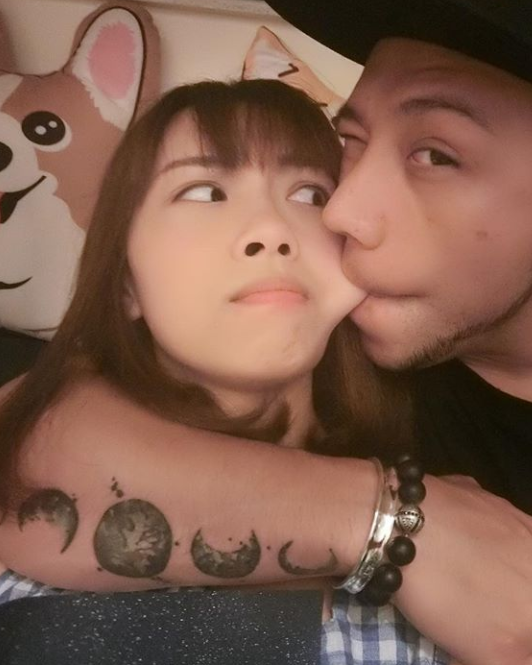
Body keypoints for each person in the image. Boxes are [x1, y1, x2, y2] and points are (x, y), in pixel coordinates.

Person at [3, 0, 532, 665]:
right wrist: (394, 524)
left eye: (436, 154)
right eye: (351, 139)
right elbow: (37, 439)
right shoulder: (327, 328)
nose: (341, 212)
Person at [0, 77, 447, 665]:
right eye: (205, 192)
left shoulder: (458, 527)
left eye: (311, 194)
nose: (271, 231)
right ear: (127, 280)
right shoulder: (27, 478)